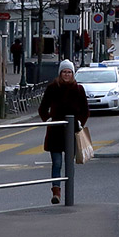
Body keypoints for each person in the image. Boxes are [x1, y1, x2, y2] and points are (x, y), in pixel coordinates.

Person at [37, 60, 90, 204]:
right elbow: (42, 108)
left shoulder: (79, 89)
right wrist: (48, 119)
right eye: (64, 72)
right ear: (60, 73)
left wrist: (79, 122)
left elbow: (85, 111)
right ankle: (56, 192)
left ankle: (69, 193)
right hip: (55, 132)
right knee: (57, 163)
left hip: (71, 132)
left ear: (73, 74)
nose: (66, 74)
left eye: (69, 72)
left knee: (69, 164)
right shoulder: (52, 88)